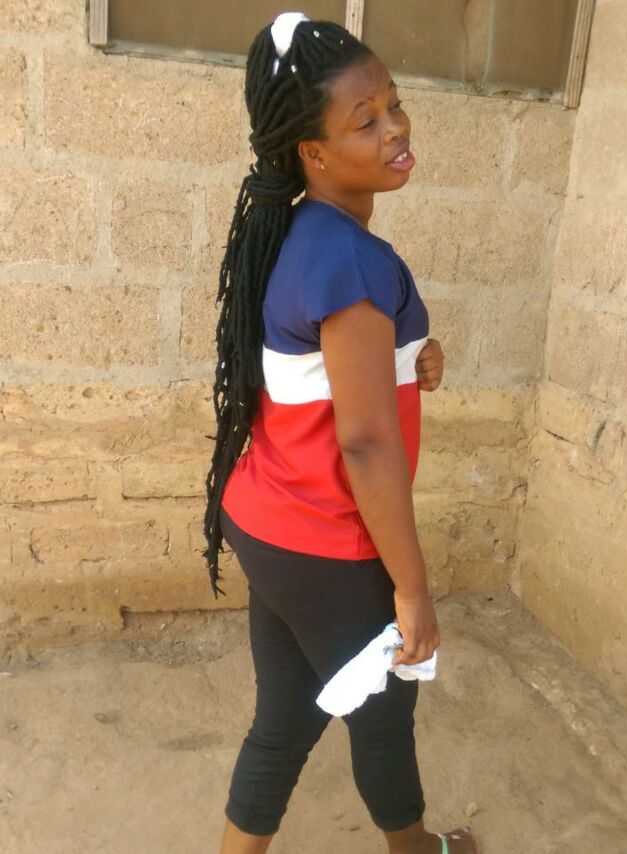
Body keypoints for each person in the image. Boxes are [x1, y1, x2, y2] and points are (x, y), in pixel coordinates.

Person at [201, 11, 479, 854]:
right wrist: (412, 588)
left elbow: (314, 371)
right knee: (385, 724)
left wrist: (410, 359)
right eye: (365, 121)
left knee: (284, 722)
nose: (395, 128)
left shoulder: (295, 233)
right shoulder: (352, 260)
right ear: (314, 154)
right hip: (329, 542)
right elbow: (364, 442)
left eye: (393, 103)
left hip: (269, 522)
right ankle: (419, 850)